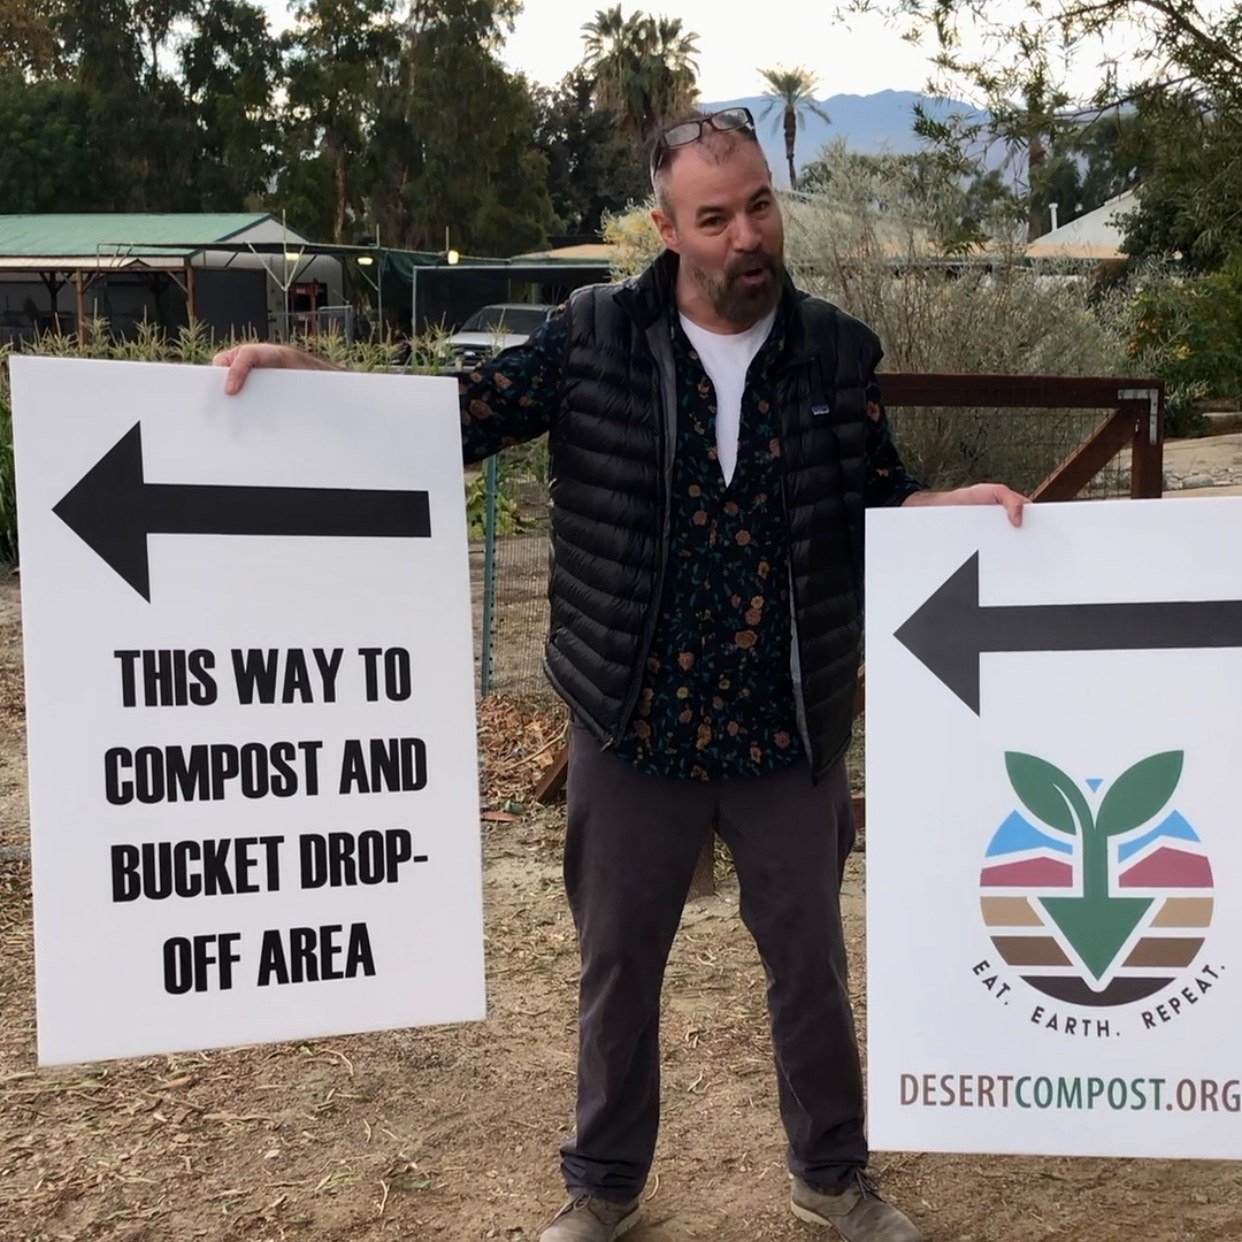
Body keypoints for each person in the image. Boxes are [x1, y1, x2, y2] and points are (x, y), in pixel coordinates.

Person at [216, 106, 1025, 1242]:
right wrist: (317, 383)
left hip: (785, 723)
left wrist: (950, 507)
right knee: (618, 970)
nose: (748, 236)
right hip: (630, 716)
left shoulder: (835, 349)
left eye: (759, 206)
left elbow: (878, 495)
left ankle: (832, 1178)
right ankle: (602, 1189)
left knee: (810, 966)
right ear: (666, 226)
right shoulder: (593, 334)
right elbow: (457, 420)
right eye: (715, 218)